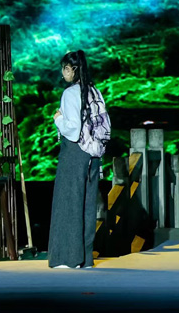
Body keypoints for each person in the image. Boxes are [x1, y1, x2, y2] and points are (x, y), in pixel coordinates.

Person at [48, 50, 108, 269]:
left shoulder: (70, 93)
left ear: (73, 69)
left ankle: (68, 258)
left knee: (68, 202)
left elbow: (73, 130)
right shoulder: (95, 91)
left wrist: (58, 119)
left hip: (74, 152)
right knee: (87, 204)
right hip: (93, 154)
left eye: (65, 68)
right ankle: (85, 259)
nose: (63, 73)